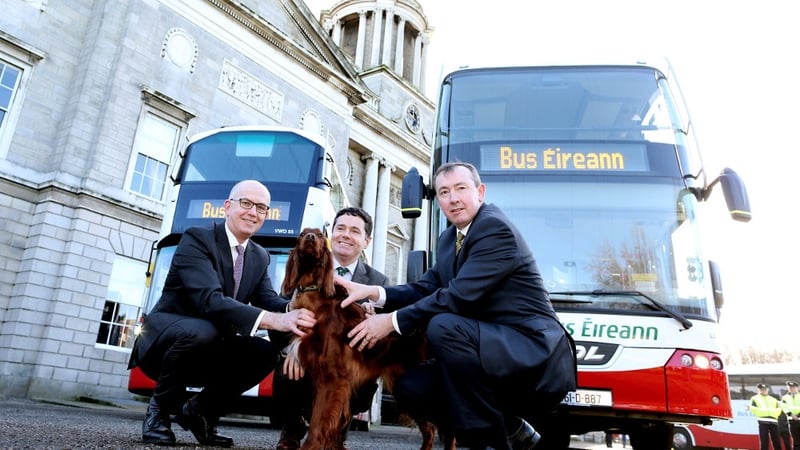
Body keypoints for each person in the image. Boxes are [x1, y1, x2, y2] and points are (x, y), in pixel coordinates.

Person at [338, 162, 577, 450]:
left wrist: (389, 322)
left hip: (530, 352)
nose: (453, 198)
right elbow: (426, 287)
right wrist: (374, 292)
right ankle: (510, 429)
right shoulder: (450, 237)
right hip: (485, 352)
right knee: (411, 386)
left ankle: (484, 442)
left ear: (480, 191)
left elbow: (458, 295)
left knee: (444, 326)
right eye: (444, 192)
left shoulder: (494, 228)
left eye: (461, 189)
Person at [127, 180, 316, 447]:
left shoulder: (260, 256)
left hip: (213, 346)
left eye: (261, 207)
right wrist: (275, 319)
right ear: (227, 207)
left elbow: (268, 300)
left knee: (264, 352)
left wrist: (299, 306)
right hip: (166, 344)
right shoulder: (196, 239)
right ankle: (158, 414)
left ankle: (198, 412)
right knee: (205, 330)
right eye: (246, 203)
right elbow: (209, 300)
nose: (253, 212)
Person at [271, 207, 389, 450]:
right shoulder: (307, 264)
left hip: (347, 362)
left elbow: (383, 334)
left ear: (366, 241)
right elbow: (280, 311)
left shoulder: (378, 282)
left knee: (355, 376)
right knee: (289, 365)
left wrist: (374, 320)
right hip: (307, 358)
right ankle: (291, 431)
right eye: (340, 228)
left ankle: (335, 434)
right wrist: (295, 344)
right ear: (331, 234)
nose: (345, 235)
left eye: (355, 231)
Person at [750, 383, 783, 450]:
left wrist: (774, 414)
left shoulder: (773, 399)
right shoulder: (754, 398)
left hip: (774, 422)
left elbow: (779, 409)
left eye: (765, 389)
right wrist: (768, 413)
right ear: (758, 390)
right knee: (764, 441)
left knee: (777, 441)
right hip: (763, 422)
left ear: (767, 390)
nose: (763, 391)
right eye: (761, 389)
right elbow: (753, 409)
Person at [783, 381, 800, 450]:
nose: (792, 389)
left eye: (793, 387)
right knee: (796, 441)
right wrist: (792, 415)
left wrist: (798, 416)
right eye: (790, 387)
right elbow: (784, 407)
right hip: (792, 421)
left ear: (797, 388)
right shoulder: (785, 397)